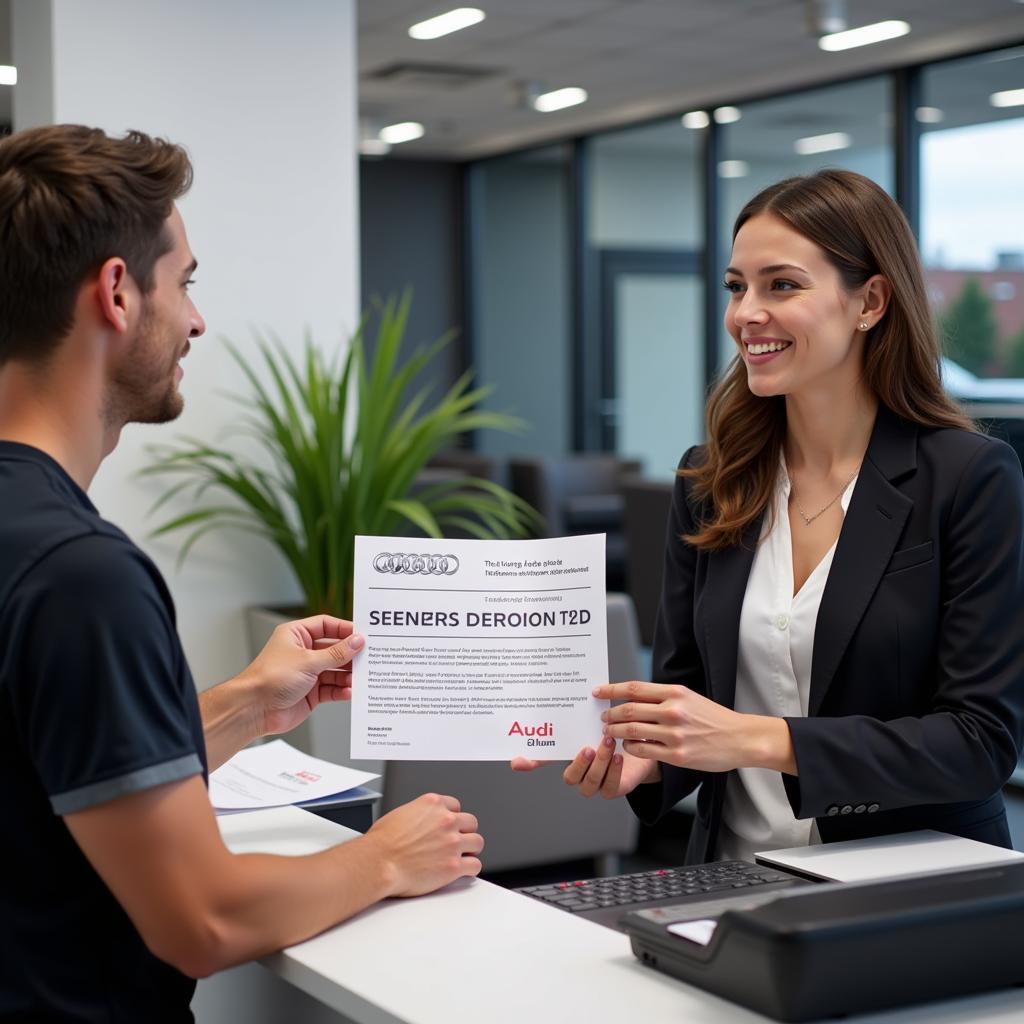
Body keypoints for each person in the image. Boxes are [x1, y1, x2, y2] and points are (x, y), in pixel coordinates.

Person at [0, 124, 484, 1021]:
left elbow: (38, 773)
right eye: (184, 283)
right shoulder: (81, 574)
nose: (195, 320)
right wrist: (383, 858)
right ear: (115, 293)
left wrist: (246, 706)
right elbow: (202, 918)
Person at [516, 169, 1024, 864]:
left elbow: (979, 743)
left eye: (781, 285)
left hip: (913, 885)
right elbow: (689, 697)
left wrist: (754, 738)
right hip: (734, 881)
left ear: (870, 300)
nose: (745, 313)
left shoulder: (968, 478)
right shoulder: (711, 480)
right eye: (736, 287)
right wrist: (650, 759)